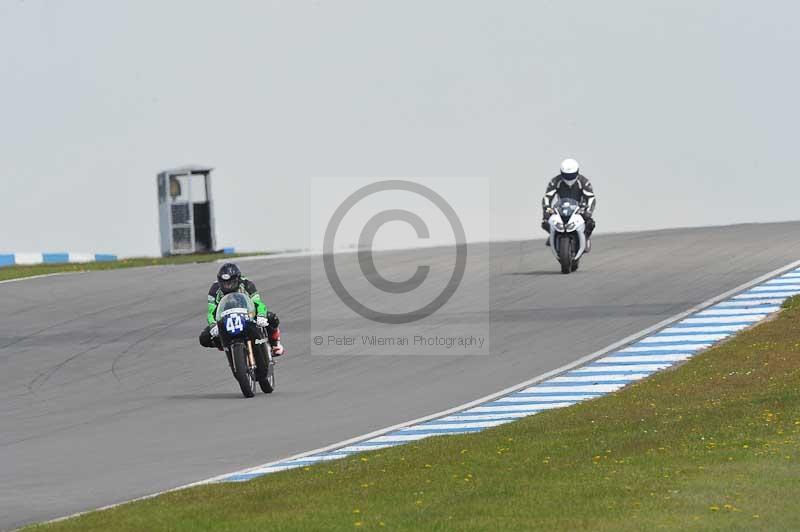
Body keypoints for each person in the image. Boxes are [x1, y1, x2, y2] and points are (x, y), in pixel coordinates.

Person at [198, 263, 285, 357]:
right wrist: (213, 325)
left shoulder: (247, 284)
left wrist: (261, 315)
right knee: (204, 338)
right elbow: (211, 311)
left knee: (271, 318)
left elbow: (258, 303)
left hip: (248, 314)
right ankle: (224, 345)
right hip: (225, 318)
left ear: (237, 279)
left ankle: (275, 344)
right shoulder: (214, 290)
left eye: (230, 283)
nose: (227, 286)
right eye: (224, 283)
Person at [541, 158, 597, 251]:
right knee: (545, 222)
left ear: (577, 172)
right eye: (566, 175)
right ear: (561, 173)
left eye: (571, 175)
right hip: (561, 207)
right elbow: (547, 197)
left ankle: (586, 238)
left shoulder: (584, 182)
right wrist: (546, 209)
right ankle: (552, 235)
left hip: (579, 208)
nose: (569, 178)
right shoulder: (555, 181)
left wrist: (589, 211)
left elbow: (591, 197)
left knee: (590, 223)